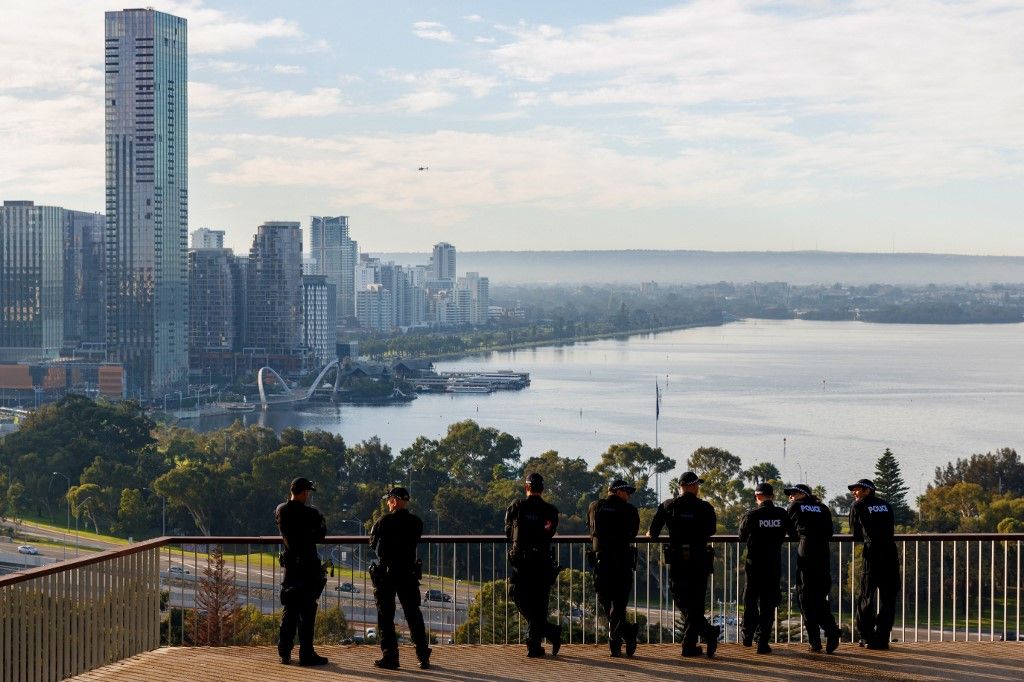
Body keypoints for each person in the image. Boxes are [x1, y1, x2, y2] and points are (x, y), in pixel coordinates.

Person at [648, 471, 719, 658]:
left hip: (678, 560)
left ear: (680, 486)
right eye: (696, 485)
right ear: (693, 486)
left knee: (680, 598)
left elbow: (653, 532)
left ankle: (690, 646)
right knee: (696, 602)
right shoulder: (705, 507)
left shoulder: (668, 505)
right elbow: (711, 531)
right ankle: (705, 635)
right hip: (699, 560)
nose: (697, 488)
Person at [369, 486, 432, 670]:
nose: (387, 503)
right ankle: (422, 655)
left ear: (394, 501)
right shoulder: (416, 522)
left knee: (385, 616)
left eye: (388, 500)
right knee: (413, 615)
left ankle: (391, 656)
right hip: (408, 573)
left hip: (387, 575)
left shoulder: (382, 521)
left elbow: (374, 545)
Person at [505, 472, 561, 658]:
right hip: (541, 561)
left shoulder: (516, 506)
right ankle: (542, 637)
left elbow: (507, 531)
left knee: (518, 596)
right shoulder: (550, 510)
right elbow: (550, 533)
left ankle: (535, 644)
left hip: (521, 562)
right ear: (542, 489)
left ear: (526, 487)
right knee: (540, 604)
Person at [276, 477, 329, 666]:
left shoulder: (281, 510)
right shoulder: (311, 514)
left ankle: (284, 651)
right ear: (305, 492)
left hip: (291, 567)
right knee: (307, 612)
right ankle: (306, 653)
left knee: (289, 609)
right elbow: (321, 534)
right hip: (309, 566)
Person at [738, 482, 796, 654]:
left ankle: (748, 636)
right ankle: (762, 642)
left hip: (754, 565)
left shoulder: (752, 514)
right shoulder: (781, 514)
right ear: (773, 496)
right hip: (773, 565)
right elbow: (793, 534)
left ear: (757, 496)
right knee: (768, 604)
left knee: (750, 600)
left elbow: (742, 536)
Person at [587, 479, 641, 657]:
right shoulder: (630, 511)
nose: (629, 495)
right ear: (617, 492)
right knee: (619, 604)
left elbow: (591, 529)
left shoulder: (595, 506)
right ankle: (625, 635)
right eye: (627, 491)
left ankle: (617, 644)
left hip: (601, 562)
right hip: (622, 562)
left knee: (605, 601)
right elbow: (632, 533)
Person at [785, 483, 841, 654]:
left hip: (807, 551)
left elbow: (791, 531)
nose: (791, 496)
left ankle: (817, 639)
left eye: (794, 493)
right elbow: (830, 532)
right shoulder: (822, 507)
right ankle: (829, 631)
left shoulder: (795, 506)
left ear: (803, 494)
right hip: (823, 554)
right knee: (817, 596)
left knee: (805, 597)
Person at [848, 478, 899, 650]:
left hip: (872, 554)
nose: (854, 492)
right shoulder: (886, 505)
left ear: (867, 491)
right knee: (888, 597)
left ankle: (867, 636)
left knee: (866, 595)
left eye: (857, 489)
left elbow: (855, 534)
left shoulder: (858, 506)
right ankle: (882, 637)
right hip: (890, 553)